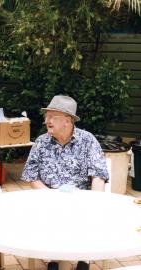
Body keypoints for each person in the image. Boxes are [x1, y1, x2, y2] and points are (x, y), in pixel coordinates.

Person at [21, 95, 109, 270]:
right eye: (47, 116)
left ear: (67, 121)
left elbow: (98, 176)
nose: (47, 121)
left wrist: (94, 203)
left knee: (83, 217)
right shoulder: (41, 142)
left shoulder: (88, 140)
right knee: (49, 217)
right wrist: (53, 197)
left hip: (81, 201)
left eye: (52, 116)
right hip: (48, 198)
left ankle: (83, 258)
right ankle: (54, 257)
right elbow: (31, 176)